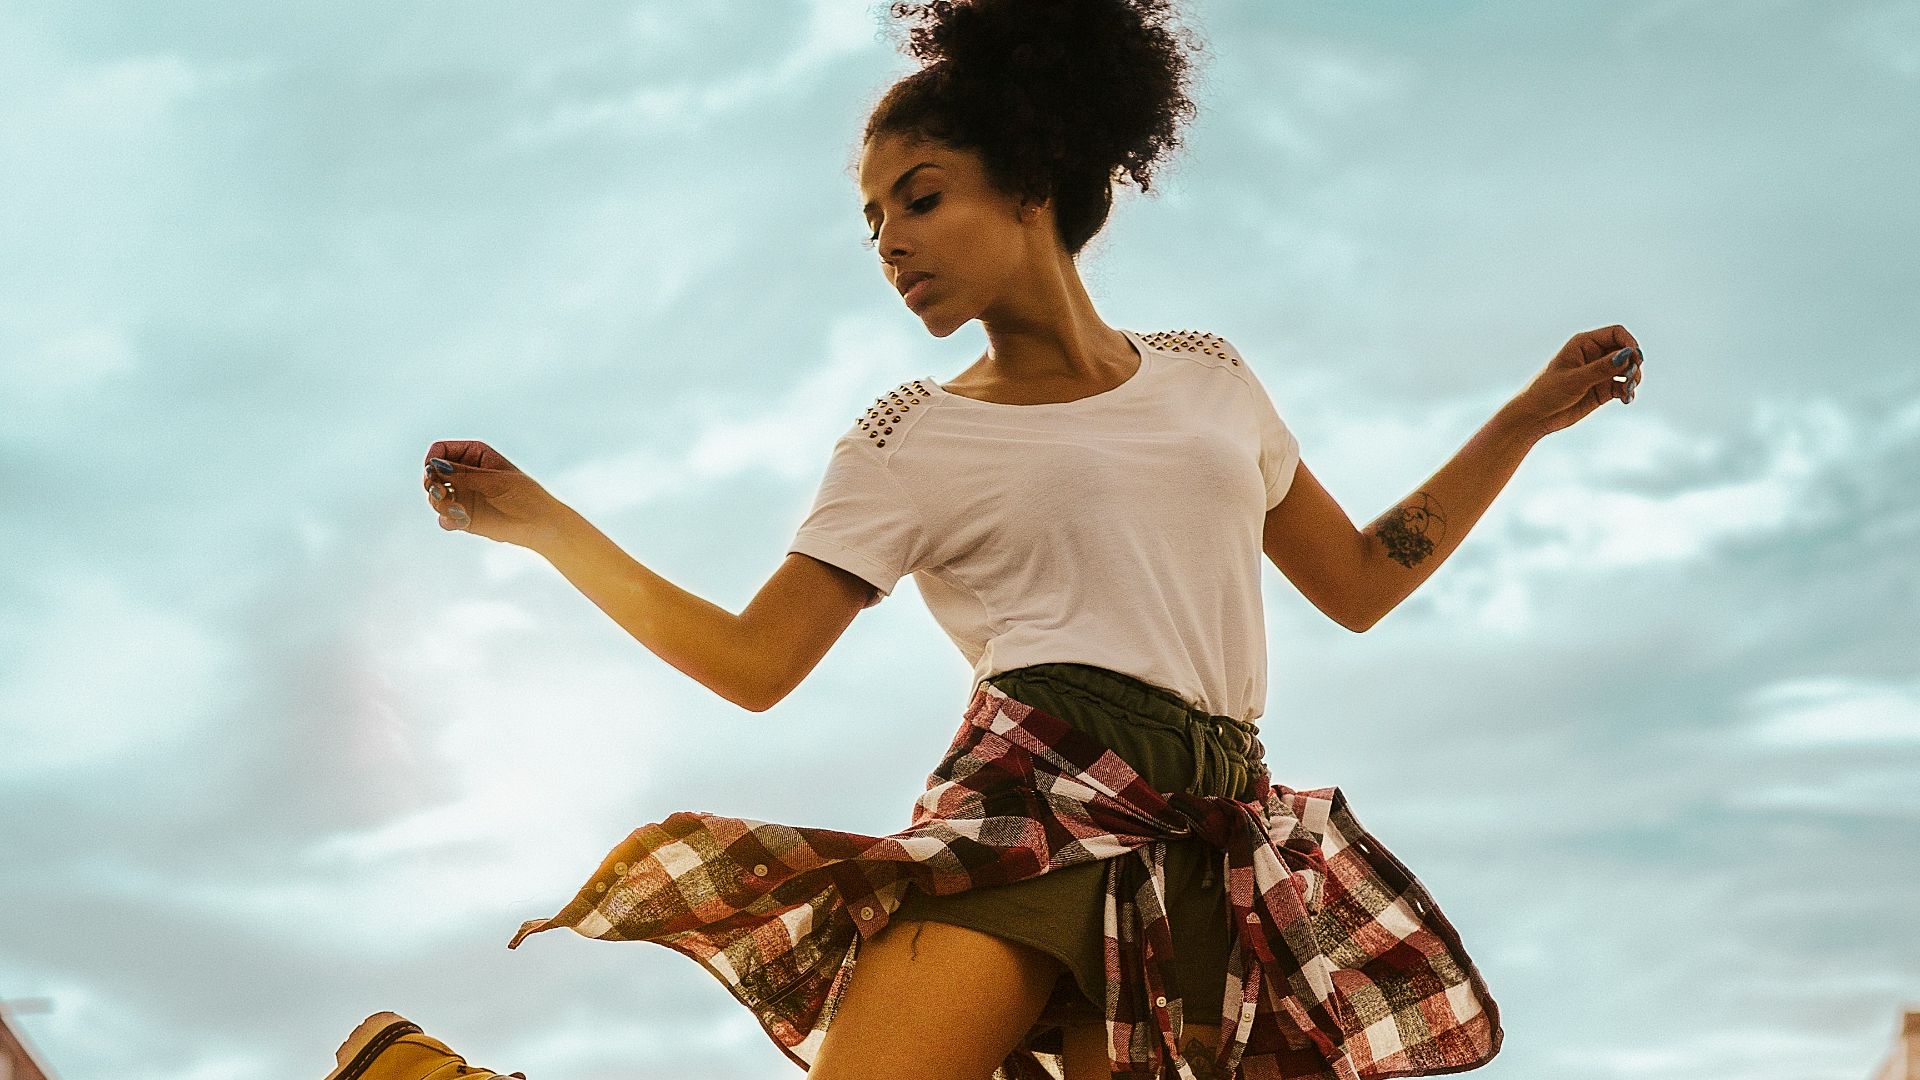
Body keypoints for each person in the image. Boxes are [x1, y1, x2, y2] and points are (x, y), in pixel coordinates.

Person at [329, 0, 1647, 1077]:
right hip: (1034, 803)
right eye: (872, 221)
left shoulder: (1209, 381)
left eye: (919, 198)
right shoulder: (907, 441)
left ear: (1028, 183)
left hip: (1219, 838)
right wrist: (549, 527)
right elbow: (754, 661)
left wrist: (1522, 422)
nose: (890, 243)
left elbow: (1359, 583)